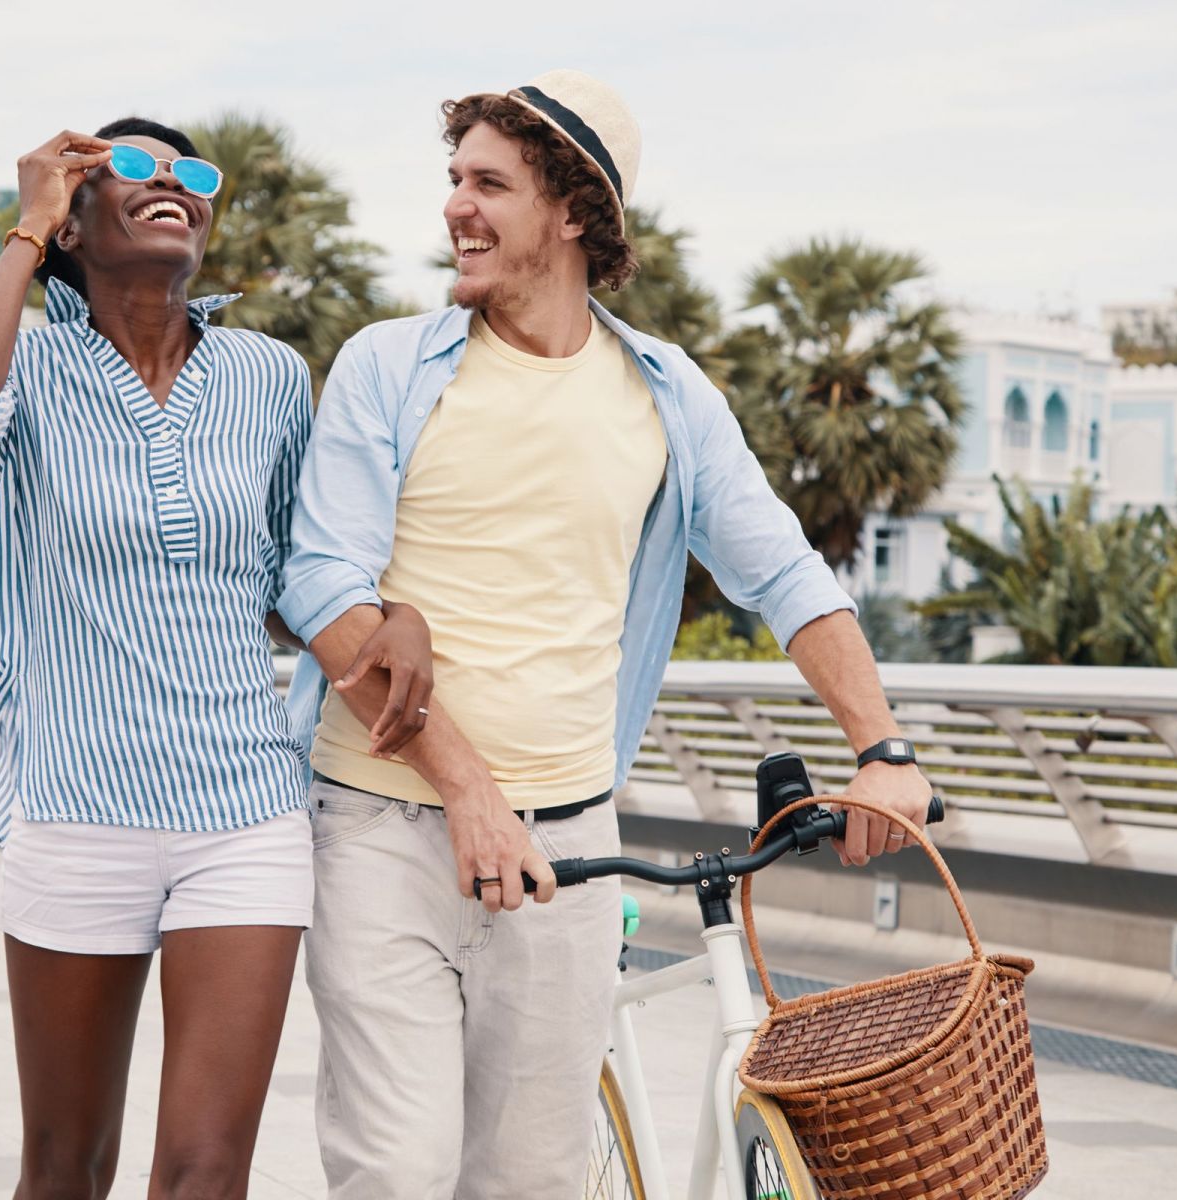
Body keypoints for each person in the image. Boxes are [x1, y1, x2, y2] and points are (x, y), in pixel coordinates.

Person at [276, 71, 936, 1197]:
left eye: (489, 183)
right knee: (398, 1170)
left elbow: (781, 572)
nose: (455, 207)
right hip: (382, 832)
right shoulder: (391, 366)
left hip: (568, 849)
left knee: (529, 1183)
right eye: (453, 180)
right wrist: (469, 791)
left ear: (574, 211)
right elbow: (326, 590)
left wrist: (882, 749)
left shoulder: (665, 395)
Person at [0, 117, 431, 1200]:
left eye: (192, 175)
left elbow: (301, 574)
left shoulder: (269, 375)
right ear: (76, 220)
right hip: (77, 803)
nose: (172, 187)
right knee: (65, 1168)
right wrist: (25, 226)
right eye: (134, 169)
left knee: (205, 1171)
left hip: (243, 811)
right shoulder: (33, 359)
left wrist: (396, 616)